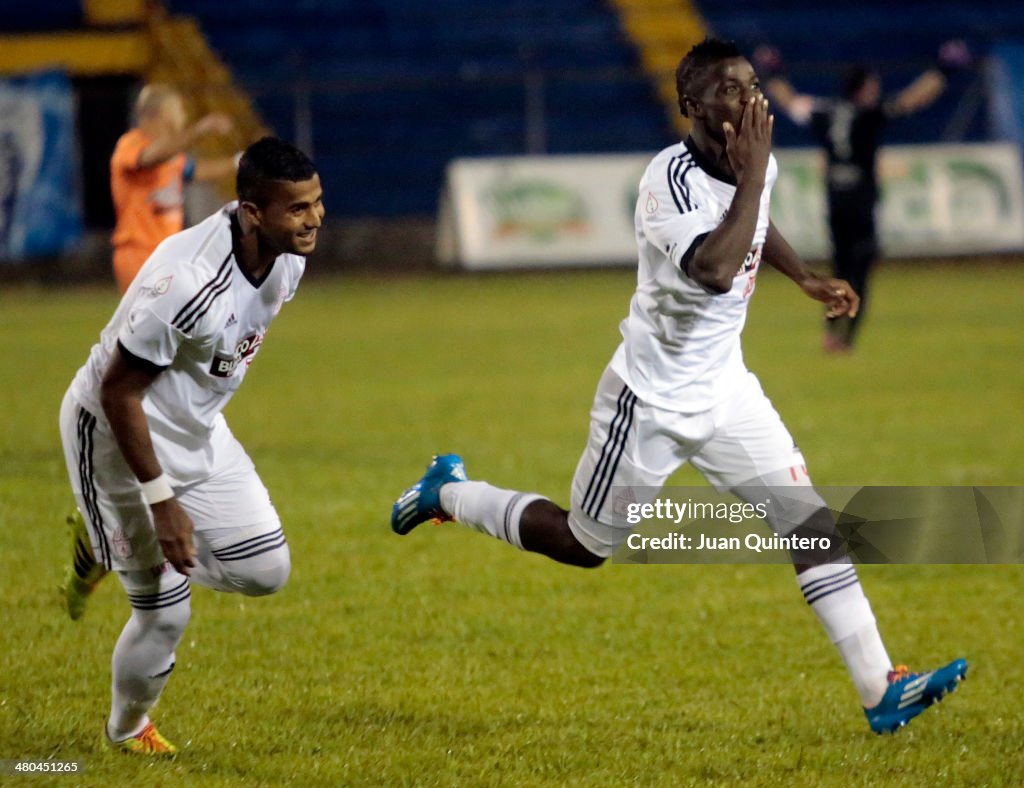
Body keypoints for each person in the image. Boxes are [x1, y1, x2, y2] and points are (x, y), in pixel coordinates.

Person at [391, 39, 966, 735]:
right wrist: (754, 179)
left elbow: (754, 228)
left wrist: (805, 275)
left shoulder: (757, 165)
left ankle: (881, 688)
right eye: (729, 90)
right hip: (649, 402)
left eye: (752, 85)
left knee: (808, 522)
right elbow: (715, 268)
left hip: (727, 391)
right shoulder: (668, 181)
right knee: (584, 545)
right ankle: (447, 491)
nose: (749, 99)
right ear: (691, 107)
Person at [59, 137, 324, 756]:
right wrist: (162, 501)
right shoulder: (186, 281)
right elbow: (117, 391)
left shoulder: (289, 258)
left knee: (266, 571)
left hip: (198, 431)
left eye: (317, 203)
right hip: (117, 437)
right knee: (165, 613)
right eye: (298, 209)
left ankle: (106, 546)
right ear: (253, 212)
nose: (314, 219)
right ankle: (127, 731)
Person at [755, 41, 970, 352]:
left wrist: (771, 72)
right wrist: (944, 71)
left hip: (835, 199)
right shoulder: (870, 113)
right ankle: (847, 338)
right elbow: (912, 99)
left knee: (840, 267)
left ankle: (830, 330)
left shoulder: (825, 112)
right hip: (861, 201)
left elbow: (790, 102)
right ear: (864, 89)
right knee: (861, 269)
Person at [109, 83, 241, 294]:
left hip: (170, 254)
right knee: (159, 322)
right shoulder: (131, 144)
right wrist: (199, 129)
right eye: (178, 109)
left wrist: (238, 162)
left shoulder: (173, 155)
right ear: (160, 114)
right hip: (139, 253)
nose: (182, 116)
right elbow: (152, 157)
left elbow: (197, 171)